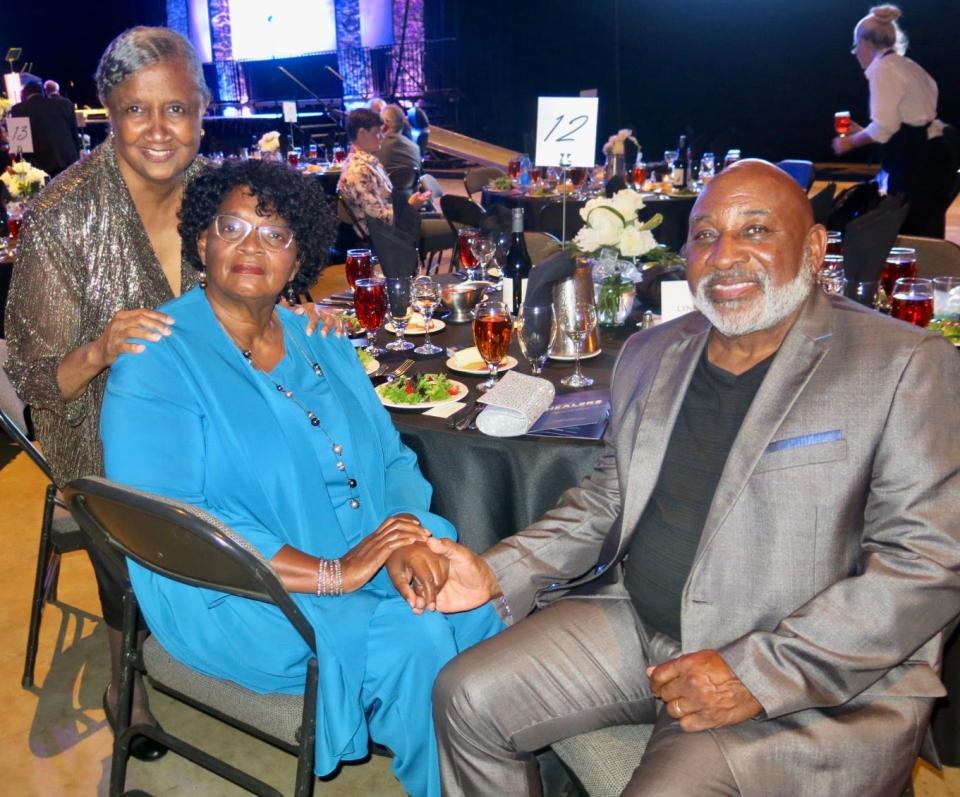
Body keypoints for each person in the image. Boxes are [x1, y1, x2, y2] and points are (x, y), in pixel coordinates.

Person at [420, 160, 960, 795]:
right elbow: (607, 497)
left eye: (755, 230)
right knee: (464, 695)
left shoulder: (902, 364)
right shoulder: (654, 352)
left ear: (813, 248)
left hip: (798, 676)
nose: (725, 256)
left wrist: (758, 675)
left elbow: (928, 564)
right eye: (705, 235)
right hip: (634, 621)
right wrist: (494, 571)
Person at [99, 158, 503, 797]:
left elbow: (393, 462)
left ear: (300, 257)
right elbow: (171, 522)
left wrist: (407, 542)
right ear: (203, 240)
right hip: (233, 591)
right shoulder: (156, 360)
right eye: (231, 226)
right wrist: (335, 573)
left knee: (472, 602)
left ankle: (494, 773)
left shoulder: (322, 338)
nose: (251, 245)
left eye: (276, 234)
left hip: (360, 554)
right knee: (417, 637)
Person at [6, 26, 215, 762]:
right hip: (97, 432)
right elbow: (37, 383)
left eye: (177, 109)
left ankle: (247, 640)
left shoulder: (220, 198)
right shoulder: (62, 218)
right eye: (137, 111)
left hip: (211, 414)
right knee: (131, 491)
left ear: (202, 109)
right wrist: (98, 348)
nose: (159, 131)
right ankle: (128, 677)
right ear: (108, 113)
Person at [831, 4, 957, 237]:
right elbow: (903, 122)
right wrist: (863, 131)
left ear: (865, 42)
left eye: (856, 45)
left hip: (918, 163)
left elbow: (885, 128)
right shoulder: (909, 66)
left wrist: (849, 142)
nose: (855, 51)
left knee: (910, 232)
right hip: (936, 156)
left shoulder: (883, 69)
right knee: (926, 230)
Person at [337, 107, 430, 237]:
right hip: (384, 239)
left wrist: (410, 204)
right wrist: (410, 206)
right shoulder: (359, 170)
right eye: (377, 132)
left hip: (391, 231)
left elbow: (385, 207)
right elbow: (378, 220)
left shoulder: (369, 163)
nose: (382, 136)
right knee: (454, 227)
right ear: (362, 133)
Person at [7, 80, 79, 177]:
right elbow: (74, 135)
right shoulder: (64, 104)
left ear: (23, 94)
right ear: (43, 93)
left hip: (39, 169)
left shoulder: (18, 109)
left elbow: (19, 146)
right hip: (67, 161)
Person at [379, 104, 421, 180]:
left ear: (385, 124)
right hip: (411, 191)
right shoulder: (416, 147)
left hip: (384, 190)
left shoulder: (377, 146)